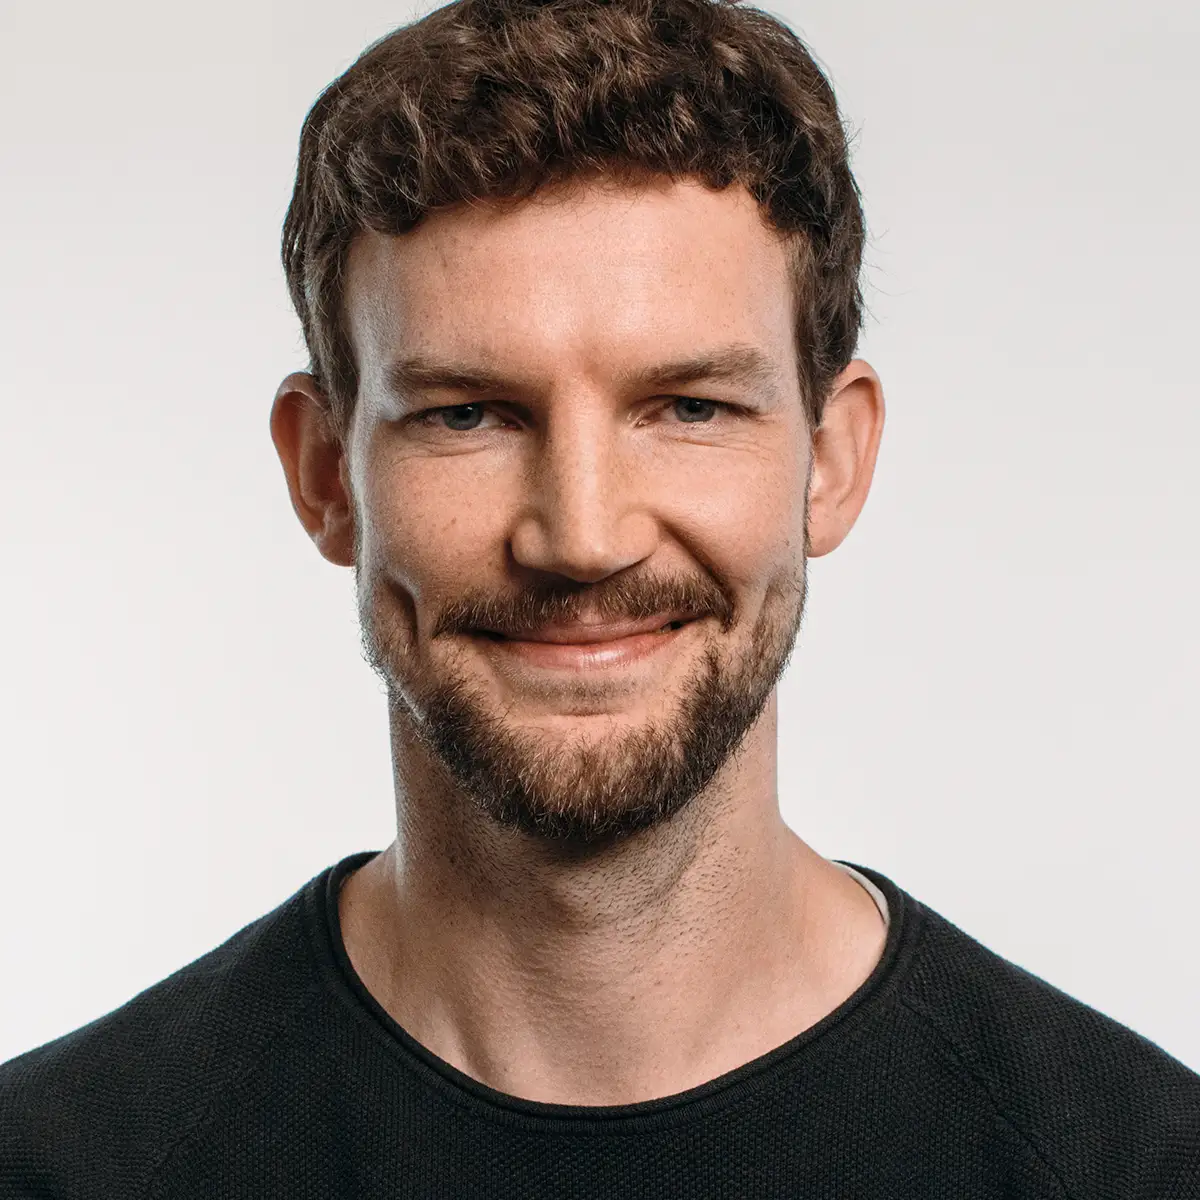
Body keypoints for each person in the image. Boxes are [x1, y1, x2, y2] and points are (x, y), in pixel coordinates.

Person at [2, 0, 1198, 1194]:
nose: (583, 538)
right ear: (327, 476)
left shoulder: (1135, 1165)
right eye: (467, 415)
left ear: (832, 462)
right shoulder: (62, 1166)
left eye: (690, 407)